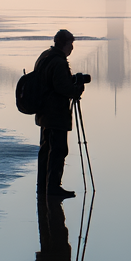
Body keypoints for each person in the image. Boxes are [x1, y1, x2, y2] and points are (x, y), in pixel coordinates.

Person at [33, 29, 89, 200]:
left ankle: (43, 186)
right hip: (55, 114)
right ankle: (54, 187)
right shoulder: (59, 62)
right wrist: (77, 89)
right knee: (59, 150)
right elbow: (61, 88)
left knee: (46, 150)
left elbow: (49, 81)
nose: (72, 48)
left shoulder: (45, 56)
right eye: (70, 44)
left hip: (43, 113)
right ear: (64, 44)